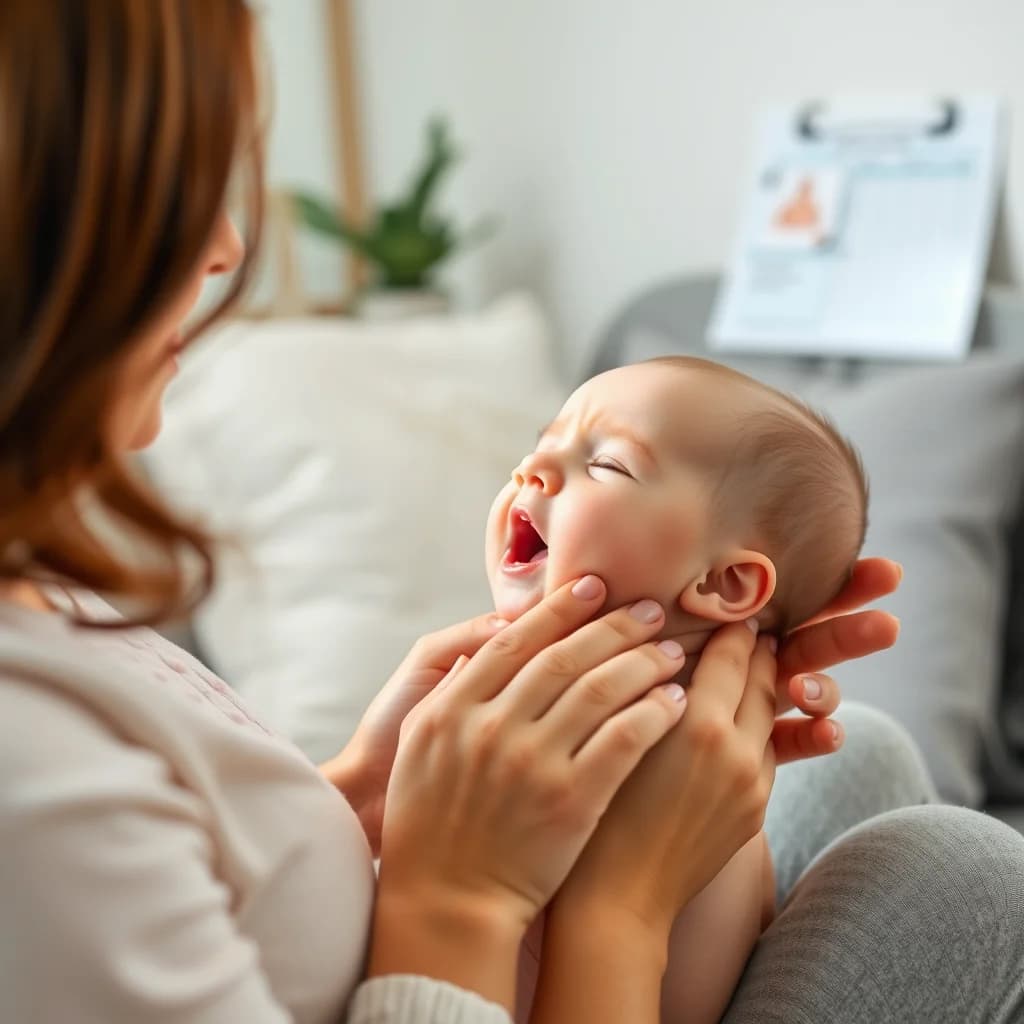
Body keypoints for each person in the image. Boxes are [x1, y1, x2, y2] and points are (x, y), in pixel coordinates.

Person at [3, 5, 1024, 1024]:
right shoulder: (35, 772)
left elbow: (217, 838)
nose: (227, 246)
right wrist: (539, 902)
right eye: (170, 194)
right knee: (962, 866)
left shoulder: (41, 606)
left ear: (724, 583)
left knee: (871, 749)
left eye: (601, 463)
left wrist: (357, 784)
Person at [487, 355, 868, 1022]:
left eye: (605, 465)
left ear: (724, 584)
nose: (531, 472)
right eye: (543, 445)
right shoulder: (706, 742)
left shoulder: (623, 739)